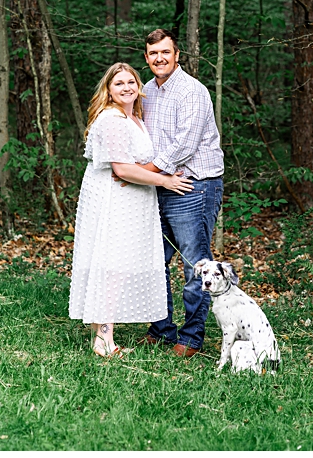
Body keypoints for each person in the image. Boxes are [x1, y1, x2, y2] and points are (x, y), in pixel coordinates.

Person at [69, 62, 194, 358]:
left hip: (130, 201)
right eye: (118, 84)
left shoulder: (134, 117)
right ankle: (103, 340)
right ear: (108, 91)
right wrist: (166, 181)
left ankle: (102, 333)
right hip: (113, 201)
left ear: (139, 86)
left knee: (115, 265)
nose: (126, 87)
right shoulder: (112, 118)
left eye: (131, 82)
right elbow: (123, 169)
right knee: (111, 266)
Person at [136, 29, 226, 359]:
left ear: (177, 55)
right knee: (152, 261)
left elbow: (184, 147)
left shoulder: (192, 91)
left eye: (165, 52)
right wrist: (152, 177)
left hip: (193, 187)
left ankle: (191, 337)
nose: (159, 58)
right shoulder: (146, 91)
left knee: (195, 267)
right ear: (146, 58)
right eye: (153, 53)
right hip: (160, 184)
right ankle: (161, 329)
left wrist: (139, 174)